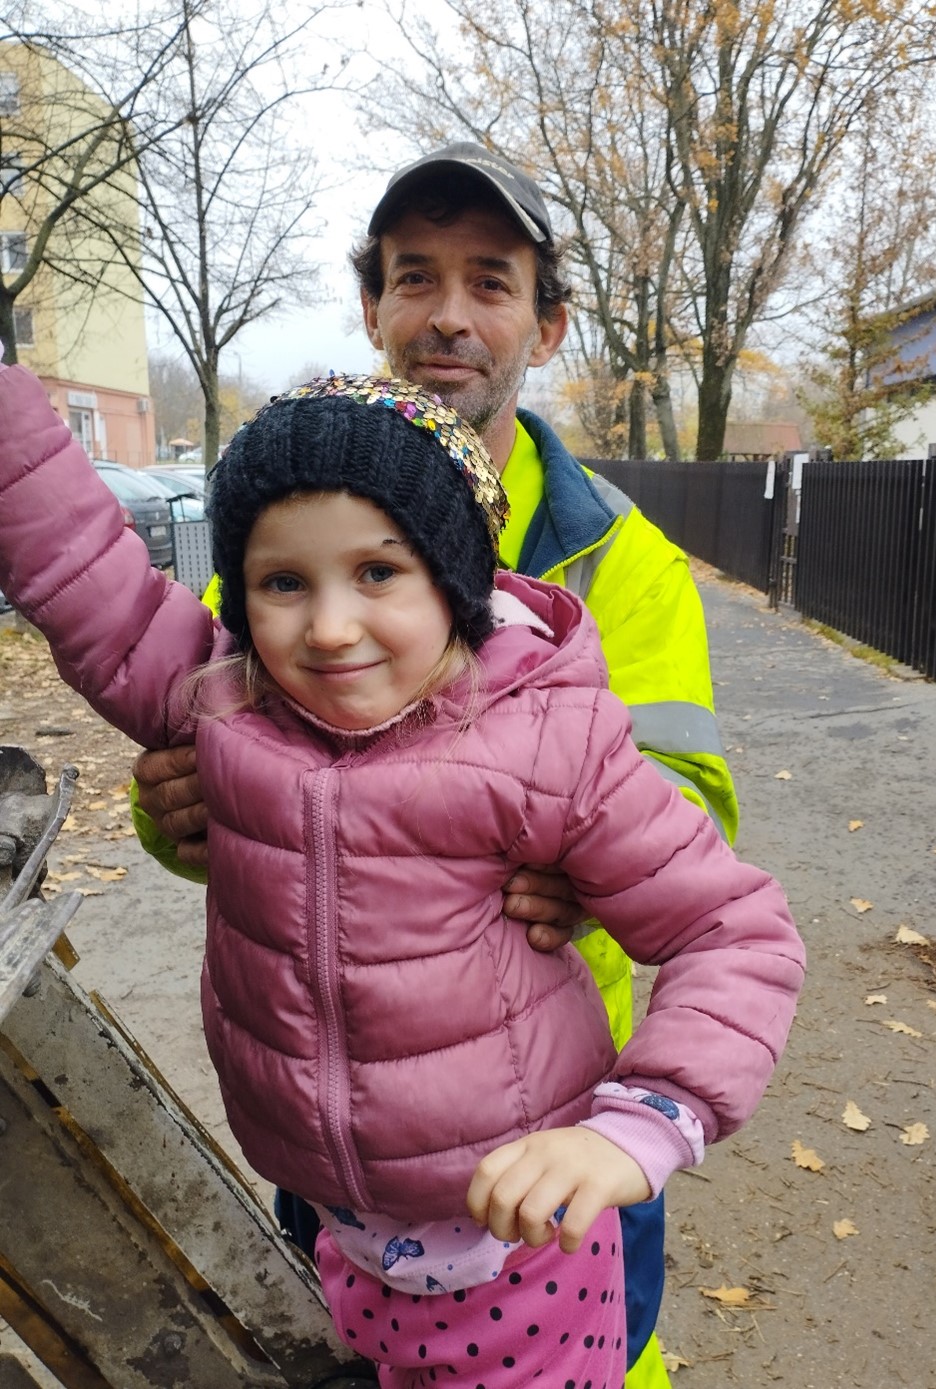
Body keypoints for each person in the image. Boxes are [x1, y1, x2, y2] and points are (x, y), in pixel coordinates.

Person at [0, 365, 804, 1387]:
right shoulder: (224, 701)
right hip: (342, 1229)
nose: (329, 627)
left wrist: (644, 1122)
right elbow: (83, 576)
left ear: (453, 579)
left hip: (524, 1249)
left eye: (378, 573)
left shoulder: (546, 743)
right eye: (283, 583)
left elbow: (732, 930)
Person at [130, 142, 739, 1385]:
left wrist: (573, 865)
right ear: (371, 308)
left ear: (546, 323)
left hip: (550, 1112)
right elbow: (215, 765)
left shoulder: (621, 563)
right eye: (414, 278)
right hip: (332, 1118)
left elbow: (692, 813)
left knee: (604, 1353)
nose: (448, 315)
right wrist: (172, 813)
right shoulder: (284, 539)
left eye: (490, 281)